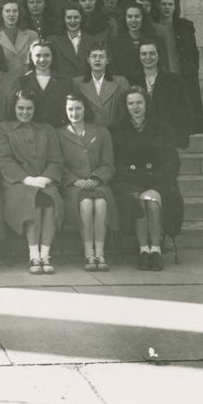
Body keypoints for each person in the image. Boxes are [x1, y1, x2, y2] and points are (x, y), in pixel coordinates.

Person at [110, 86, 183, 270]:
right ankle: (144, 251)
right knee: (138, 200)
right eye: (131, 103)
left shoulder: (162, 127)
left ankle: (156, 251)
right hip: (128, 180)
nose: (135, 107)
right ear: (125, 106)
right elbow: (115, 162)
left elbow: (171, 159)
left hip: (157, 180)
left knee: (151, 199)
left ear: (146, 104)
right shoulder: (116, 129)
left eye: (139, 102)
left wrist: (159, 177)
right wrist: (132, 176)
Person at [0, 90, 65, 275]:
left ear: (35, 109)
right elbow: (4, 160)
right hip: (16, 183)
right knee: (32, 200)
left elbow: (56, 159)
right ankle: (33, 255)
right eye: (20, 108)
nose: (25, 112)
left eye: (29, 108)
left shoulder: (47, 130)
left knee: (49, 201)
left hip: (45, 181)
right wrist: (28, 179)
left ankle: (45, 254)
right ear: (13, 108)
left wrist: (45, 178)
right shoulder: (3, 129)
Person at [58, 94, 117, 273]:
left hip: (97, 184)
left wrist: (96, 179)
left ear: (85, 109)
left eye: (78, 108)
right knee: (85, 203)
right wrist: (75, 181)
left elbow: (108, 164)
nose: (74, 113)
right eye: (70, 109)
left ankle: (100, 253)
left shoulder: (101, 132)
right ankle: (88, 253)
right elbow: (58, 164)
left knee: (100, 203)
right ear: (65, 111)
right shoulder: (58, 134)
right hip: (73, 186)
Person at [153, 0, 203, 136]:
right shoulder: (152, 27)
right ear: (158, 6)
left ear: (175, 7)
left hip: (183, 74)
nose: (166, 7)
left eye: (170, 4)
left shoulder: (185, 27)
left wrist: (192, 70)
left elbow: (193, 51)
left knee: (185, 107)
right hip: (161, 74)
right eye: (163, 4)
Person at [137, 41, 194, 149]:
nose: (148, 57)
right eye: (144, 54)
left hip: (167, 140)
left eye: (152, 53)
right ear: (139, 57)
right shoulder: (132, 81)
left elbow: (184, 111)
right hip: (141, 140)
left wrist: (181, 137)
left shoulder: (174, 80)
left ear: (159, 56)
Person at [17, 41, 72, 128]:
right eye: (38, 55)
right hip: (31, 133)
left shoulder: (65, 81)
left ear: (52, 57)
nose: (42, 59)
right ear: (31, 57)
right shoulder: (23, 81)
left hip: (57, 131)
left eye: (46, 55)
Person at [73, 44, 130, 127]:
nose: (97, 59)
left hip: (114, 132)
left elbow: (125, 111)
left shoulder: (120, 82)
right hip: (87, 134)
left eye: (102, 56)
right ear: (88, 60)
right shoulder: (77, 83)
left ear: (107, 61)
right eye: (94, 56)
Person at [107, 3, 165, 82]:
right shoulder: (114, 43)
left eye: (137, 16)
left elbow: (162, 66)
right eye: (130, 16)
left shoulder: (156, 40)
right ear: (125, 19)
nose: (133, 20)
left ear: (143, 18)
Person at [0, 0, 38, 82]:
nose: (11, 14)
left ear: (19, 14)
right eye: (7, 11)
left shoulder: (32, 35)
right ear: (1, 14)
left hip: (27, 83)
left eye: (15, 11)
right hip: (2, 85)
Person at [49, 6, 96, 79]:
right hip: (63, 84)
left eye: (76, 17)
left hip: (85, 84)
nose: (73, 21)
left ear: (81, 19)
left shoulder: (91, 40)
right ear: (63, 19)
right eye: (69, 17)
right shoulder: (54, 41)